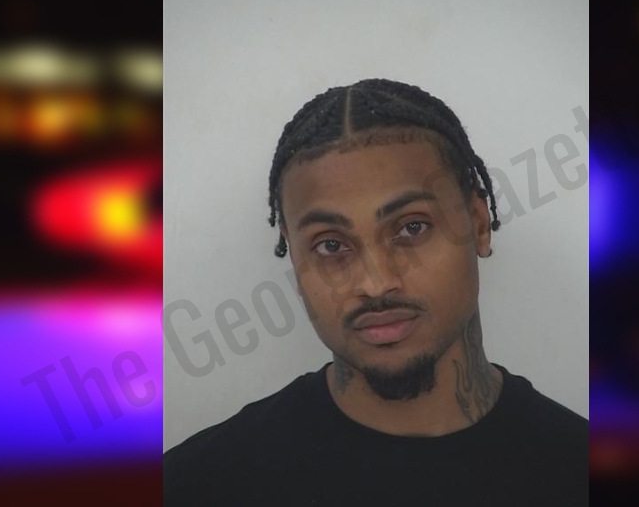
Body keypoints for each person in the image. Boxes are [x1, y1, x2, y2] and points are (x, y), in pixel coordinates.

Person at [164, 78, 588, 506]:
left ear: (478, 224)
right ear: (292, 251)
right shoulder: (196, 485)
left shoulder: (578, 471)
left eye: (412, 227)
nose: (376, 282)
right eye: (331, 245)